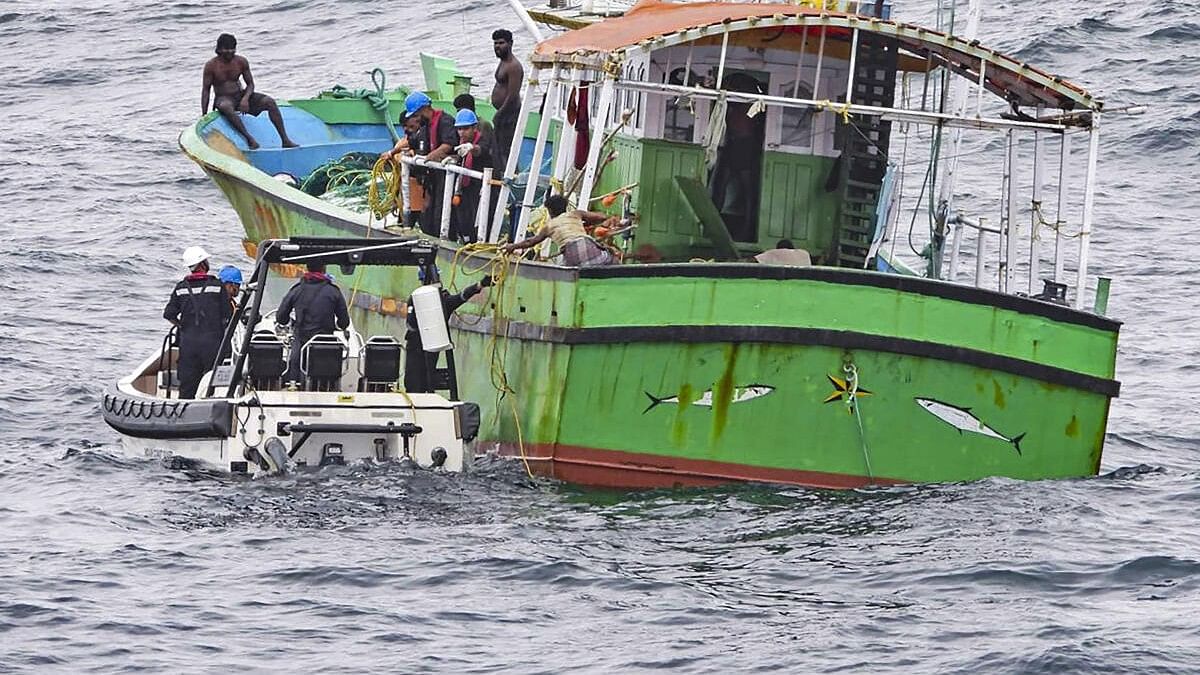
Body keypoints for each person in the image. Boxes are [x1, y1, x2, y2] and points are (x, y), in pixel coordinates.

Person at [201, 33, 298, 150]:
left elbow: (250, 84)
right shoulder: (211, 66)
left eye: (232, 49)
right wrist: (204, 114)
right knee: (226, 106)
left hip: (240, 94)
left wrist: (245, 99)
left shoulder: (241, 61)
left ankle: (285, 140)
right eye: (226, 49)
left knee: (270, 102)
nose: (230, 52)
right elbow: (206, 90)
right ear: (219, 49)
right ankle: (249, 139)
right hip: (224, 98)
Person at [381, 91, 458, 237]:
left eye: (416, 114)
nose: (415, 119)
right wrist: (391, 152)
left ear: (424, 109)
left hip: (445, 177)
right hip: (432, 179)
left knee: (442, 213)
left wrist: (430, 156)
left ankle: (447, 239)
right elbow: (410, 142)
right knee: (428, 217)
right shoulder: (426, 127)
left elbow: (449, 144)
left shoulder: (445, 121)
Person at [404, 272, 492, 393]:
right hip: (416, 346)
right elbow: (411, 323)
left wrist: (480, 285)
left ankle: (425, 397)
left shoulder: (442, 301)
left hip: (429, 347)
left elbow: (461, 297)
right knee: (414, 382)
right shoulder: (416, 299)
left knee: (425, 381)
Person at [163, 246, 233, 399]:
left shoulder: (180, 288)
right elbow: (228, 315)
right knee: (211, 384)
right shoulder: (217, 286)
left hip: (188, 345)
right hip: (213, 344)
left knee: (187, 387)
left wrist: (182, 326)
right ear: (202, 264)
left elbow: (169, 314)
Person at [275, 262, 350, 385]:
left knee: (294, 380)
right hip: (325, 347)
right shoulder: (334, 291)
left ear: (306, 268)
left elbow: (281, 318)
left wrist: (293, 322)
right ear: (324, 269)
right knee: (326, 381)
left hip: (300, 345)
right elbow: (344, 322)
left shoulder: (297, 289)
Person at [502, 194, 618, 267]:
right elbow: (601, 217)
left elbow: (530, 242)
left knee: (567, 268)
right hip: (586, 245)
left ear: (550, 211)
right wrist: (587, 223)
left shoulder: (548, 226)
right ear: (565, 207)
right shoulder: (575, 214)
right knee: (612, 258)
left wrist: (512, 246)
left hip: (570, 254)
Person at [450, 108, 497, 243]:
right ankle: (465, 239)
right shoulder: (460, 142)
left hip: (482, 187)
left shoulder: (482, 140)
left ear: (474, 127)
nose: (461, 132)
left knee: (480, 217)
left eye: (465, 129)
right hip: (466, 186)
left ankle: (480, 241)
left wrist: (471, 148)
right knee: (462, 215)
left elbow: (481, 150)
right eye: (459, 129)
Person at [490, 29, 524, 168]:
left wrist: (500, 114)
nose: (497, 46)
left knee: (507, 150)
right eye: (495, 43)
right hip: (504, 114)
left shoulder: (514, 66)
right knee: (499, 150)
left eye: (501, 43)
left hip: (510, 115)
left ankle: (511, 177)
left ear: (510, 44)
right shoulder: (503, 62)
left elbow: (513, 95)